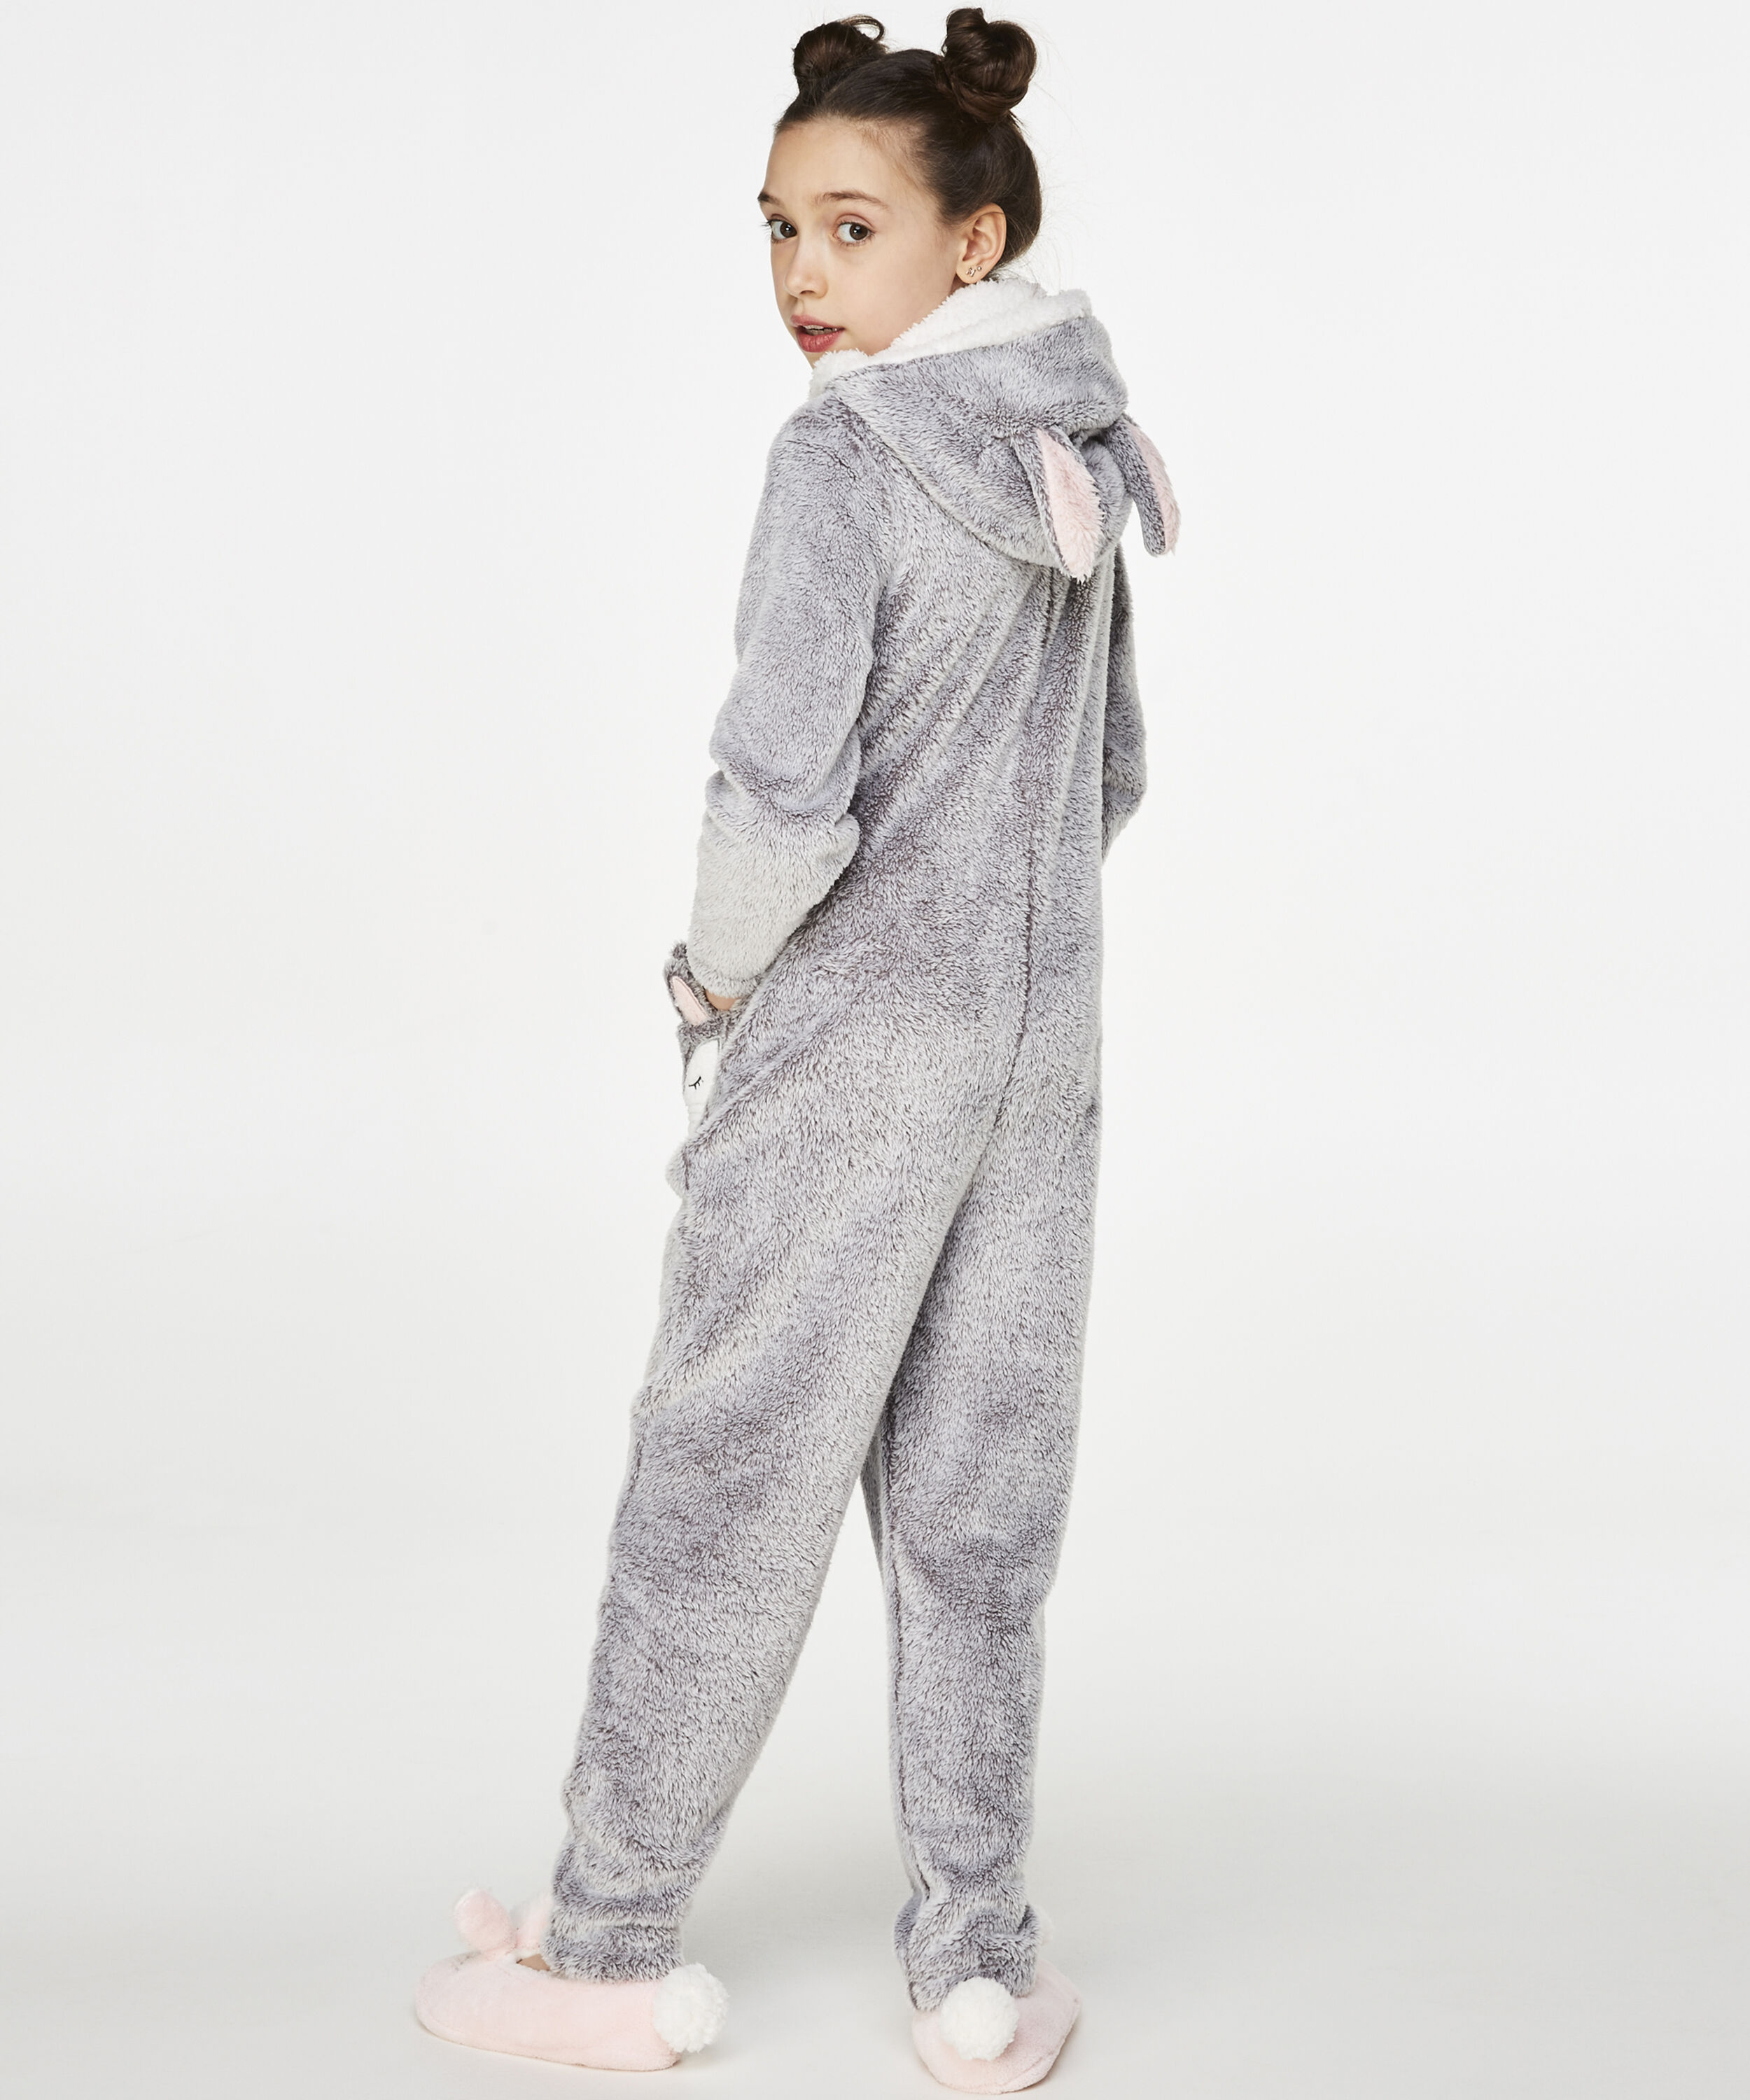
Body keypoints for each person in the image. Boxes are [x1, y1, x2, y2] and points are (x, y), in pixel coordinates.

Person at [415, 10, 1176, 2089]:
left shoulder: (843, 460)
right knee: (979, 1514)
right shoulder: (1080, 448)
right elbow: (1114, 767)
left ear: (973, 237)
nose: (802, 276)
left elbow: (780, 792)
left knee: (725, 1484)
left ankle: (604, 1949)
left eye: (852, 227)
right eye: (776, 228)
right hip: (1039, 1056)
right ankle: (977, 1972)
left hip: (850, 1055)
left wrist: (716, 980)